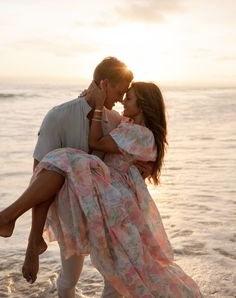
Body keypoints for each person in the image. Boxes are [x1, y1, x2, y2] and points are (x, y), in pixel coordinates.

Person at [0, 81, 203, 297]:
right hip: (106, 191)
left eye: (129, 97)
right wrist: (87, 100)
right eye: (122, 94)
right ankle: (20, 227)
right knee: (60, 163)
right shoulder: (125, 124)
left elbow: (95, 142)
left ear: (143, 104)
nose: (123, 101)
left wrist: (96, 106)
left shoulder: (139, 133)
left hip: (112, 194)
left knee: (63, 158)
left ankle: (12, 219)